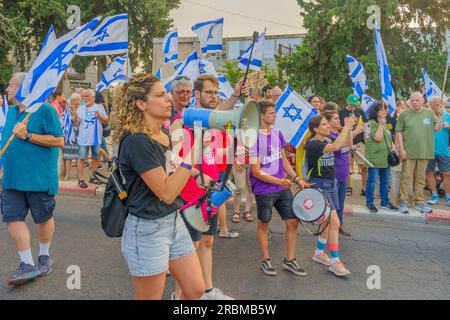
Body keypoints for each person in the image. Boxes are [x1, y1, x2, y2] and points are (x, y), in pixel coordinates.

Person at [114, 73, 205, 300]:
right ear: (141, 104)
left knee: (195, 290)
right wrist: (194, 155)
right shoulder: (137, 141)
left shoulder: (161, 134)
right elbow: (166, 192)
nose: (168, 99)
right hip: (147, 230)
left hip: (173, 220)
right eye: (161, 95)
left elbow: (171, 167)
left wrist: (194, 172)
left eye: (166, 94)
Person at [170, 74, 246, 300]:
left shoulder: (214, 121)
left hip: (209, 192)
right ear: (197, 94)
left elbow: (222, 115)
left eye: (216, 93)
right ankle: (179, 295)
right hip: (189, 194)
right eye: (209, 92)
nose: (214, 96)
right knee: (187, 248)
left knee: (208, 241)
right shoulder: (182, 119)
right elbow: (174, 155)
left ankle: (208, 291)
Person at [2, 72, 64, 285]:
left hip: (38, 178)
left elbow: (58, 140)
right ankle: (26, 263)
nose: (7, 89)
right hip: (11, 178)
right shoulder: (10, 111)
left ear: (22, 88)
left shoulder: (44, 109)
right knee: (12, 218)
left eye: (10, 85)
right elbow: (6, 142)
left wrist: (28, 135)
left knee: (43, 218)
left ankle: (44, 256)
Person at [250, 100, 309, 277]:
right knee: (264, 224)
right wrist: (279, 182)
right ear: (261, 116)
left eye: (275, 113)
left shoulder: (277, 133)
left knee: (292, 221)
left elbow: (283, 161)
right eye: (271, 113)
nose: (275, 115)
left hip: (281, 187)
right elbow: (256, 171)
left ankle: (289, 259)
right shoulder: (252, 137)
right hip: (264, 189)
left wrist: (297, 179)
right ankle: (265, 260)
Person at [306, 114, 355, 277]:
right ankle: (335, 261)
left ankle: (319, 252)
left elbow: (345, 145)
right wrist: (346, 126)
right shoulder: (313, 144)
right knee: (335, 222)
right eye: (325, 124)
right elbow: (335, 148)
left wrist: (349, 129)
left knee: (327, 222)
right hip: (320, 185)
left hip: (331, 183)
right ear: (316, 129)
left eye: (328, 124)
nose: (328, 126)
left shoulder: (326, 140)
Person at [396, 92, 442, 214]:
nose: (414, 102)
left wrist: (441, 116)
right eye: (412, 100)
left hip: (424, 152)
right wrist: (401, 149)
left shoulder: (429, 113)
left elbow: (437, 129)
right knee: (406, 177)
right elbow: (399, 131)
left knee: (421, 179)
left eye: (417, 100)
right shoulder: (404, 114)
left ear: (422, 101)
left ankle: (419, 202)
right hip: (408, 152)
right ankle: (403, 202)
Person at [323, 108, 360, 236]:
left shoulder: (339, 134)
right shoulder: (328, 137)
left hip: (343, 174)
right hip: (334, 175)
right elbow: (339, 146)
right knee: (333, 203)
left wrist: (349, 128)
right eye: (335, 119)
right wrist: (347, 128)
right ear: (328, 122)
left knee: (341, 201)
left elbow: (349, 143)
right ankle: (330, 226)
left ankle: (339, 224)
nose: (338, 120)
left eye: (339, 118)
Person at [364, 101, 398, 213]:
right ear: (376, 111)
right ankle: (370, 202)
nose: (386, 110)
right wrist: (382, 125)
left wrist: (393, 146)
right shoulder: (370, 123)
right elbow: (377, 138)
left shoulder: (383, 121)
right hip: (374, 158)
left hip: (385, 158)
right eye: (383, 108)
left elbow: (388, 137)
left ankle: (385, 202)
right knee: (372, 181)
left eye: (387, 108)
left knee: (385, 181)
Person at [75, 89, 109, 188]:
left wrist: (99, 116)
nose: (85, 98)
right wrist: (76, 118)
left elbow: (106, 121)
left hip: (96, 138)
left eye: (87, 96)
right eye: (83, 96)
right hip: (83, 138)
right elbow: (77, 124)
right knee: (81, 158)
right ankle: (81, 179)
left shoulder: (99, 107)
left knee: (95, 157)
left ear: (93, 98)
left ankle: (93, 176)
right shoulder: (80, 108)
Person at [339, 94, 367, 196]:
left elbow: (365, 125)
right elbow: (339, 127)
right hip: (346, 141)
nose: (353, 107)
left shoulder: (360, 112)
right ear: (347, 101)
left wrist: (361, 128)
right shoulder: (341, 113)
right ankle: (347, 187)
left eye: (355, 105)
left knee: (363, 165)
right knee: (346, 165)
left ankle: (364, 187)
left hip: (359, 141)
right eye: (351, 105)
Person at [426, 96, 450, 206]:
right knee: (429, 172)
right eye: (436, 104)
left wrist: (449, 126)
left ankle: (448, 197)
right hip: (430, 150)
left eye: (440, 104)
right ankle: (434, 195)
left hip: (444, 150)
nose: (439, 106)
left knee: (446, 174)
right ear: (431, 106)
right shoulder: (427, 117)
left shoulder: (448, 116)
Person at [61, 93, 81, 181]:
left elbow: (79, 124)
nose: (76, 101)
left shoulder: (82, 110)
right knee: (68, 155)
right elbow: (62, 121)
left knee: (78, 156)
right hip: (69, 135)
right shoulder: (67, 110)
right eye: (74, 100)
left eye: (77, 100)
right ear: (71, 101)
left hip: (79, 135)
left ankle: (78, 174)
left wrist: (76, 117)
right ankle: (67, 175)